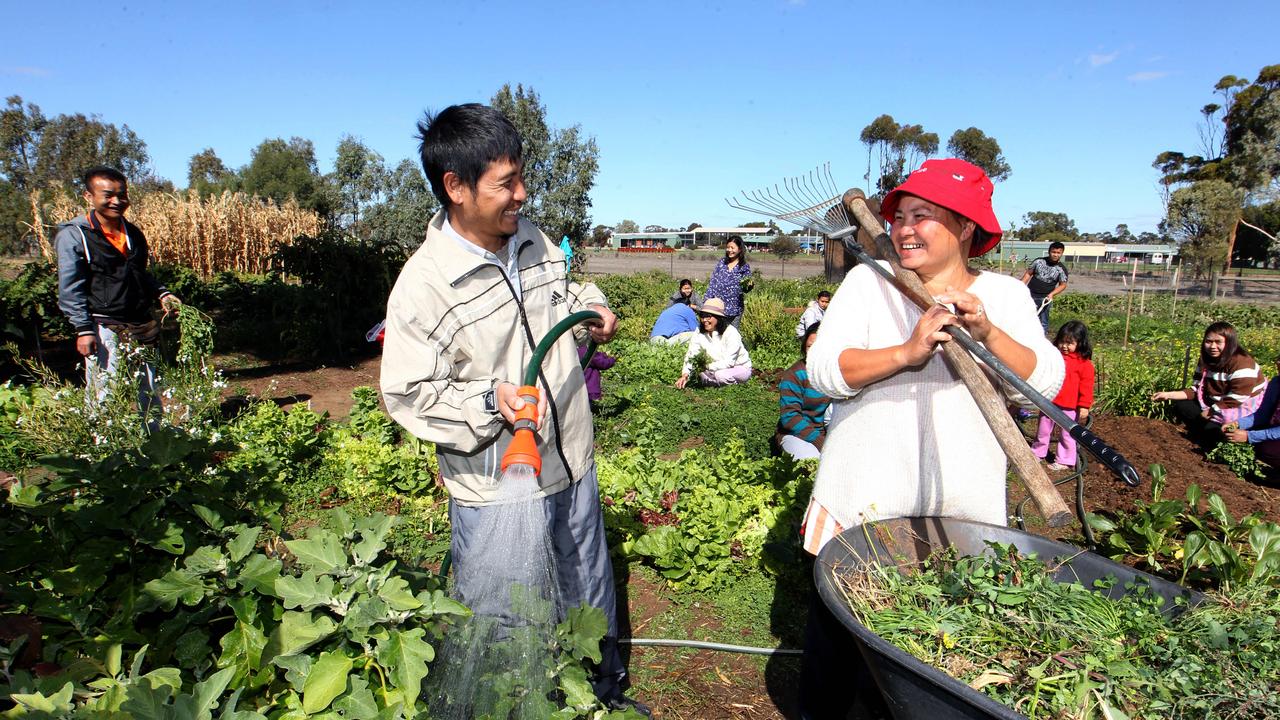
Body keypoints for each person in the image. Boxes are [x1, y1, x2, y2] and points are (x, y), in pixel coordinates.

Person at [378, 104, 647, 716]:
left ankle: (599, 699)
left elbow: (571, 288)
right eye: (506, 183)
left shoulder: (534, 241)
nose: (522, 195)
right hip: (500, 486)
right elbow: (408, 393)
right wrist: (487, 399)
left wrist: (594, 308)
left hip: (571, 461)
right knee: (508, 619)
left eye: (522, 177)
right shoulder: (424, 288)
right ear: (456, 187)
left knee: (588, 594)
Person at [799, 158, 1064, 719]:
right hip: (863, 508)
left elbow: (1042, 384)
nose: (904, 228)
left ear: (966, 227)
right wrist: (906, 352)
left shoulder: (1004, 298)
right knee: (838, 667)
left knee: (935, 665)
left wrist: (988, 333)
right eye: (900, 216)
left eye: (924, 216)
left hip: (960, 518)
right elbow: (823, 371)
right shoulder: (871, 283)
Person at [56, 165, 182, 413]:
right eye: (108, 195)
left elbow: (138, 273)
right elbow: (71, 287)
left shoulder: (132, 233)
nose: (117, 201)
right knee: (104, 389)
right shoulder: (77, 235)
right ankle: (102, 446)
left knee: (149, 386)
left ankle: (157, 444)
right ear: (88, 196)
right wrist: (83, 329)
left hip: (140, 321)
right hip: (104, 323)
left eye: (121, 194)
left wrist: (162, 293)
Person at [1152, 321, 1268, 444]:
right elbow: (1197, 389)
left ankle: (1216, 437)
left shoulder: (1242, 363)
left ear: (1229, 343)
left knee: (1211, 430)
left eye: (1218, 342)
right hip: (1217, 404)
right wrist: (1168, 395)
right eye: (1208, 341)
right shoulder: (1205, 360)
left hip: (1242, 408)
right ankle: (1208, 433)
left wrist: (1210, 411)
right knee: (1182, 406)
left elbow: (1238, 397)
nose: (1212, 346)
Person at [1032, 320, 1095, 471]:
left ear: (1080, 343)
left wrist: (1084, 406)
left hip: (1069, 406)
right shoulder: (1054, 358)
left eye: (1069, 343)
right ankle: (1038, 452)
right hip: (1050, 401)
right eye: (1062, 342)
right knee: (1043, 429)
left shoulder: (1084, 364)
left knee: (1067, 434)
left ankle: (1065, 459)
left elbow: (1087, 387)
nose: (1064, 346)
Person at [776, 322, 831, 460]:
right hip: (796, 434)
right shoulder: (795, 374)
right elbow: (790, 417)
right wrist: (821, 442)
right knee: (811, 462)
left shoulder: (835, 375)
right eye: (809, 347)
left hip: (827, 435)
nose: (813, 352)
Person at [674, 298, 752, 388]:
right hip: (714, 369)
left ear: (718, 318)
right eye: (702, 316)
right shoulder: (699, 331)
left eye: (708, 316)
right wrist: (685, 375)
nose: (704, 320)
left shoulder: (731, 333)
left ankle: (733, 386)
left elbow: (729, 362)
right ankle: (717, 383)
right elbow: (692, 353)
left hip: (738, 367)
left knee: (720, 375)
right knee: (700, 375)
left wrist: (707, 366)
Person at [1223, 355, 1280, 471]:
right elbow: (1262, 415)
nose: (1278, 362)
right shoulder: (1276, 383)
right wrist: (1237, 424)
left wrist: (1249, 436)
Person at [1020, 240, 1069, 333]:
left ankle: (1042, 340)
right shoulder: (1039, 262)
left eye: (1058, 253)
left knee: (1043, 322)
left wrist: (1052, 294)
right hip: (1029, 295)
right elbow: (1028, 274)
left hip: (1045, 298)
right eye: (1053, 252)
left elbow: (1063, 285)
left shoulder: (1061, 269)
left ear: (1062, 253)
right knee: (1025, 317)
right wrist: (1020, 286)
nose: (1055, 255)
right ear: (1049, 251)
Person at [705, 235, 752, 329]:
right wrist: (707, 301)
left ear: (739, 249)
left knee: (733, 336)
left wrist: (749, 286)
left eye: (732, 248)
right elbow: (713, 282)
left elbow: (746, 287)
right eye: (728, 247)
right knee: (718, 333)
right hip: (718, 307)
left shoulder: (744, 267)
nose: (729, 250)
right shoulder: (722, 263)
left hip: (735, 308)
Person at [578, 345, 616, 409]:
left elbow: (597, 356)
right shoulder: (587, 351)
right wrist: (612, 360)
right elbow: (602, 363)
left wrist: (603, 355)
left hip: (578, 386)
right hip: (589, 387)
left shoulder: (574, 350)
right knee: (587, 409)